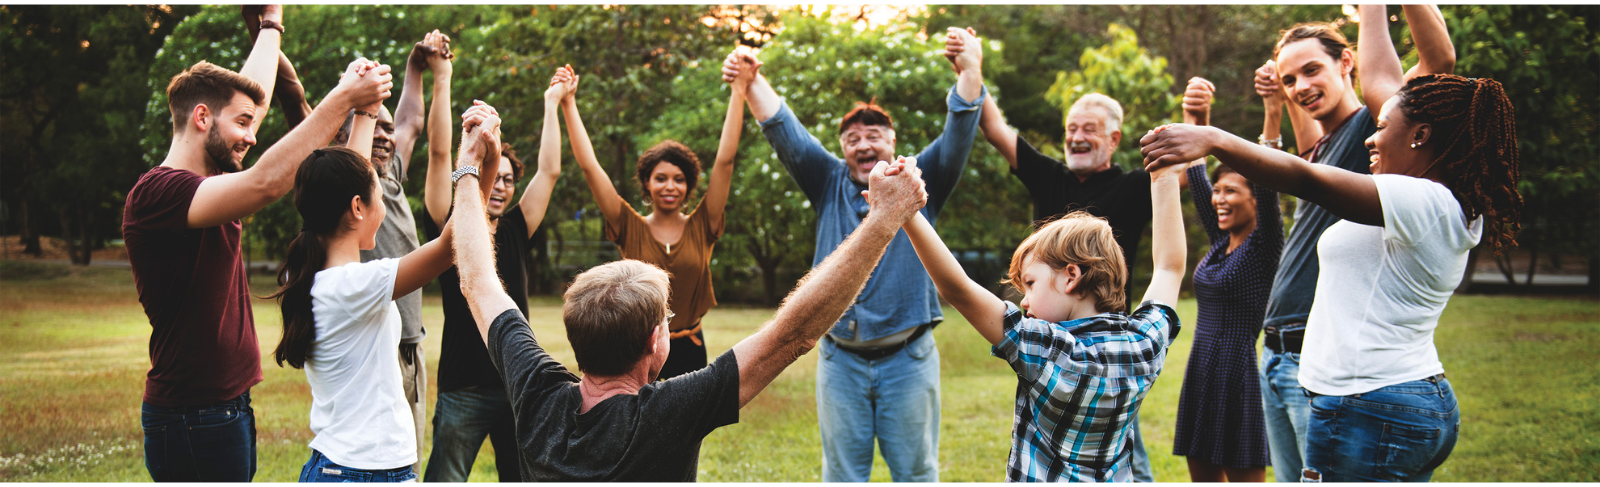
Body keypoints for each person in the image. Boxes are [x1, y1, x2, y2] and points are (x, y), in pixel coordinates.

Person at [1142, 5, 1516, 480]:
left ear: (1421, 136)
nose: (1372, 140)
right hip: (1381, 396)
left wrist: (1214, 138)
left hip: (1372, 402)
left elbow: (1306, 178)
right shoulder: (1423, 197)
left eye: (1383, 129)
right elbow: (1378, 80)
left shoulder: (1426, 200)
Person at [450, 147, 931, 481]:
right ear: (655, 344)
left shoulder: (536, 394)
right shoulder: (667, 415)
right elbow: (794, 334)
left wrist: (468, 166)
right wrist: (883, 220)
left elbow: (478, 282)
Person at [123, 5, 392, 480]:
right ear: (202, 118)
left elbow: (255, 99)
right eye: (243, 124)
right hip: (190, 416)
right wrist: (342, 98)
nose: (252, 135)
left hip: (225, 408)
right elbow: (266, 183)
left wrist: (271, 23)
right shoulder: (157, 193)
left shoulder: (211, 177)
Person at [721, 27, 988, 481]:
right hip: (839, 361)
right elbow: (785, 129)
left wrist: (972, 68)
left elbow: (961, 125)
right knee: (842, 476)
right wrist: (749, 76)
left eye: (875, 135)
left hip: (909, 359)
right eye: (852, 139)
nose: (864, 145)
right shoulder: (826, 182)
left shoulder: (920, 183)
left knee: (917, 474)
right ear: (843, 149)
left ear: (893, 141)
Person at [945, 28, 1201, 481]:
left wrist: (1192, 123)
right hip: (1113, 351)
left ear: (1115, 138)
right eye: (1071, 129)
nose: (1076, 137)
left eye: (1089, 129)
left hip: (1089, 340)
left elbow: (1183, 177)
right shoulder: (1049, 175)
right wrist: (973, 70)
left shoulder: (1130, 184)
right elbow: (995, 128)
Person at [899, 131, 1187, 481]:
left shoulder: (1045, 347)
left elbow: (957, 289)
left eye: (1031, 284)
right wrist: (1165, 175)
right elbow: (1170, 267)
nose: (1024, 301)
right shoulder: (1144, 343)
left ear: (1071, 277)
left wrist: (907, 211)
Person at [1243, 8, 1453, 481]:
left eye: (1311, 69)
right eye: (1290, 77)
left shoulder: (1371, 130)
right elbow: (1298, 162)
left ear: (1347, 62)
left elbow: (1438, 61)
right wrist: (1277, 103)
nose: (1300, 85)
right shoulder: (1323, 146)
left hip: (1316, 363)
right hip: (1278, 351)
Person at [265, 103, 498, 481]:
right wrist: (478, 162)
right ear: (358, 207)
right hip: (361, 473)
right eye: (379, 195)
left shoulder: (317, 274)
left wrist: (366, 111)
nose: (385, 209)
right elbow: (449, 246)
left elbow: (345, 174)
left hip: (357, 467)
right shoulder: (353, 286)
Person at [558, 61, 746, 379]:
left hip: (690, 348)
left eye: (678, 179)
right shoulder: (629, 226)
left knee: (689, 430)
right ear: (647, 184)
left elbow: (725, 161)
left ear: (688, 187)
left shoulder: (703, 225)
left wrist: (738, 90)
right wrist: (568, 103)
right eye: (660, 178)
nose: (670, 186)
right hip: (634, 351)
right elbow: (590, 167)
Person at [420, 84, 562, 482]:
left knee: (522, 477)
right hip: (462, 384)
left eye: (509, 180)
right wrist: (442, 77)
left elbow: (549, 170)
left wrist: (552, 102)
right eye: (492, 175)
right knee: (445, 478)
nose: (500, 185)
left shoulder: (517, 228)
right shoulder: (451, 225)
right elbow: (437, 153)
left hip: (517, 382)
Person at [1168, 78, 1282, 482]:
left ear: (1254, 199)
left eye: (1231, 191)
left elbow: (1270, 177)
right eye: (1217, 191)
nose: (1218, 198)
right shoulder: (1221, 242)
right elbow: (1196, 176)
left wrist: (1272, 111)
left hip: (1239, 371)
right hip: (1202, 366)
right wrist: (1196, 121)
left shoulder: (1264, 244)